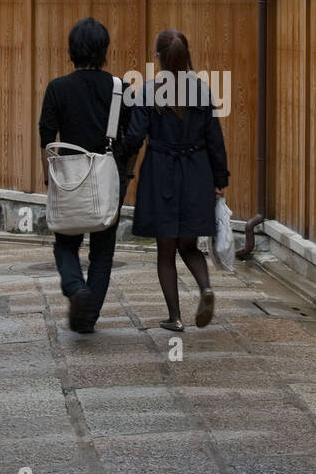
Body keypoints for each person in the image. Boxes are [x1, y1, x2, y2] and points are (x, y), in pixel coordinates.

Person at [117, 29, 229, 331]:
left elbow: (136, 137)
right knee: (189, 244)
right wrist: (220, 178)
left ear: (159, 58)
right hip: (196, 172)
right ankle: (205, 287)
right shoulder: (202, 91)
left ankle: (175, 317)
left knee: (165, 250)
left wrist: (117, 154)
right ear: (187, 55)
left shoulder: (148, 91)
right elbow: (214, 139)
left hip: (161, 172)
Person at [38, 17, 134, 333]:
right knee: (102, 253)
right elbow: (133, 139)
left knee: (65, 244)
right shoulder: (122, 89)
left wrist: (48, 179)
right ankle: (87, 317)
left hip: (68, 177)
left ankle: (75, 288)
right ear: (104, 50)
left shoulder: (57, 88)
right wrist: (127, 174)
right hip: (109, 178)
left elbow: (47, 139)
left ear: (72, 50)